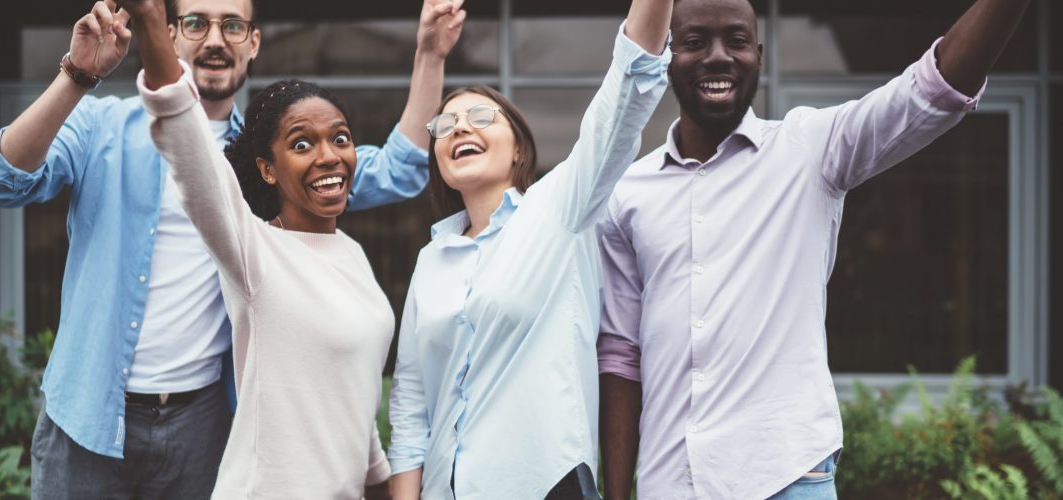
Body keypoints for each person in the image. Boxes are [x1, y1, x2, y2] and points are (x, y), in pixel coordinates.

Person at [0, 0, 455, 497]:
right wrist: (77, 75)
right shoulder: (102, 124)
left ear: (254, 42)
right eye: (197, 23)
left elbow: (398, 168)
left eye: (232, 25)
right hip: (90, 411)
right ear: (172, 34)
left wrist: (429, 54)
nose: (216, 39)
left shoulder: (274, 162)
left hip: (202, 422)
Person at [595, 0, 1032, 498]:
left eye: (736, 41)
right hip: (671, 482)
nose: (718, 56)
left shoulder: (810, 148)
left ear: (758, 55)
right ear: (669, 54)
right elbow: (620, 355)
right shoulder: (628, 192)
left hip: (787, 474)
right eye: (694, 43)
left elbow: (930, 91)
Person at [118, 0, 464, 497]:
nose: (329, 156)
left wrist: (380, 480)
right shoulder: (253, 251)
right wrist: (152, 21)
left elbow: (351, 391)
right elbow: (189, 149)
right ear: (266, 168)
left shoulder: (351, 253)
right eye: (302, 144)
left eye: (340, 138)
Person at [385, 0, 670, 498]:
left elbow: (626, 95)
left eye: (479, 115)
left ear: (518, 146)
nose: (461, 129)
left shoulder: (560, 211)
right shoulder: (431, 260)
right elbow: (411, 405)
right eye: (445, 126)